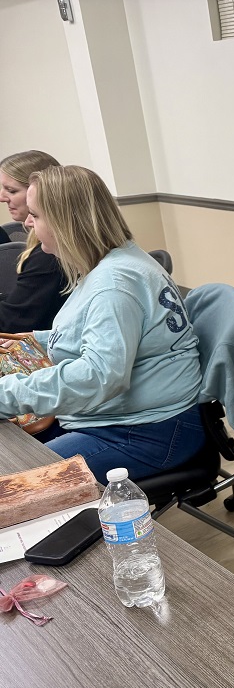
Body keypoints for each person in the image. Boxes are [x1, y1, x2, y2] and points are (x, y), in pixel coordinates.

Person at [0, 165, 205, 481]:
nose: (27, 222)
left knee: (19, 481)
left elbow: (98, 377)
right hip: (142, 420)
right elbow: (107, 330)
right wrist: (40, 339)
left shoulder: (113, 282)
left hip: (145, 433)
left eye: (36, 215)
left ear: (66, 221)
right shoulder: (121, 259)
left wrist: (6, 394)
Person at [0, 151, 67, 332]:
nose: (2, 197)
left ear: (36, 191)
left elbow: (12, 322)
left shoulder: (50, 255)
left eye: (12, 190)